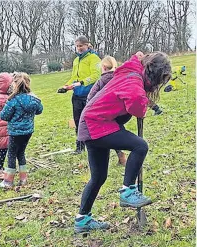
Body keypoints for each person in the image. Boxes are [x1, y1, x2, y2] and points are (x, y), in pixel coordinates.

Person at [74, 51, 171, 233]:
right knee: (140, 145)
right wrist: (144, 100)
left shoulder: (132, 71)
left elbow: (136, 59)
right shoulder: (134, 83)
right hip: (98, 124)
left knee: (98, 176)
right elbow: (137, 108)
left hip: (92, 123)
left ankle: (82, 220)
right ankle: (128, 191)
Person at [0, 72, 43, 188]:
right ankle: (23, 179)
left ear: (14, 85)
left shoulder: (13, 100)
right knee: (21, 153)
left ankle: (8, 181)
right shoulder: (34, 99)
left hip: (15, 132)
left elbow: (4, 116)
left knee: (11, 154)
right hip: (28, 131)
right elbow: (39, 110)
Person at [57, 35, 101, 154]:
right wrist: (66, 86)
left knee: (91, 120)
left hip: (89, 94)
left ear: (87, 45)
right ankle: (80, 146)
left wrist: (82, 83)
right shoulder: (76, 60)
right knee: (78, 121)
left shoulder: (94, 58)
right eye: (77, 46)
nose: (79, 48)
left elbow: (96, 75)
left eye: (81, 46)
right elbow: (73, 77)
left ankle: (96, 144)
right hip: (77, 95)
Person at [87, 55, 127, 166]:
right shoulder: (120, 79)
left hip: (103, 115)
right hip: (118, 113)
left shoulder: (101, 81)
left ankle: (112, 157)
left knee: (106, 135)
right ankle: (121, 154)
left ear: (103, 67)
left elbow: (90, 97)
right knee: (117, 131)